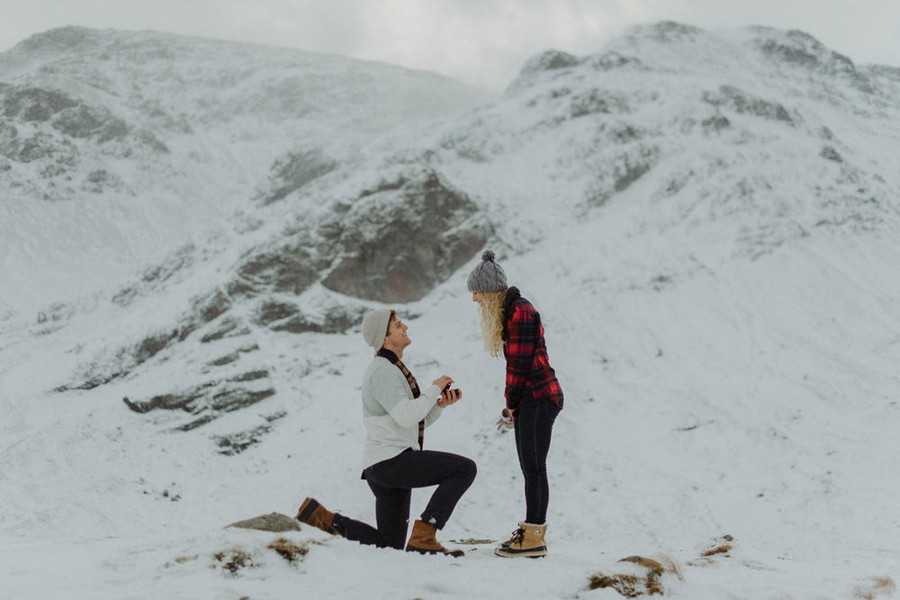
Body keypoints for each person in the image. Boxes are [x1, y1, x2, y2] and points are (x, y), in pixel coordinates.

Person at [296, 308, 476, 557]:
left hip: (384, 465)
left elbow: (409, 421)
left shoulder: (390, 368)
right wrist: (434, 388)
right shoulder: (382, 371)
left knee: (389, 546)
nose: (406, 327)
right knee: (464, 469)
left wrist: (439, 407)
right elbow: (407, 415)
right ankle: (425, 535)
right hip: (391, 461)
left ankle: (321, 518)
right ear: (385, 337)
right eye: (398, 325)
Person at [466, 250, 564, 558]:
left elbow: (519, 367)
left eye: (477, 293)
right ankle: (532, 532)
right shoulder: (512, 311)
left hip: (538, 397)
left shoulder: (520, 312)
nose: (475, 300)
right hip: (532, 399)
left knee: (533, 468)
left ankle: (534, 536)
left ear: (491, 292)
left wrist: (510, 406)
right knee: (530, 467)